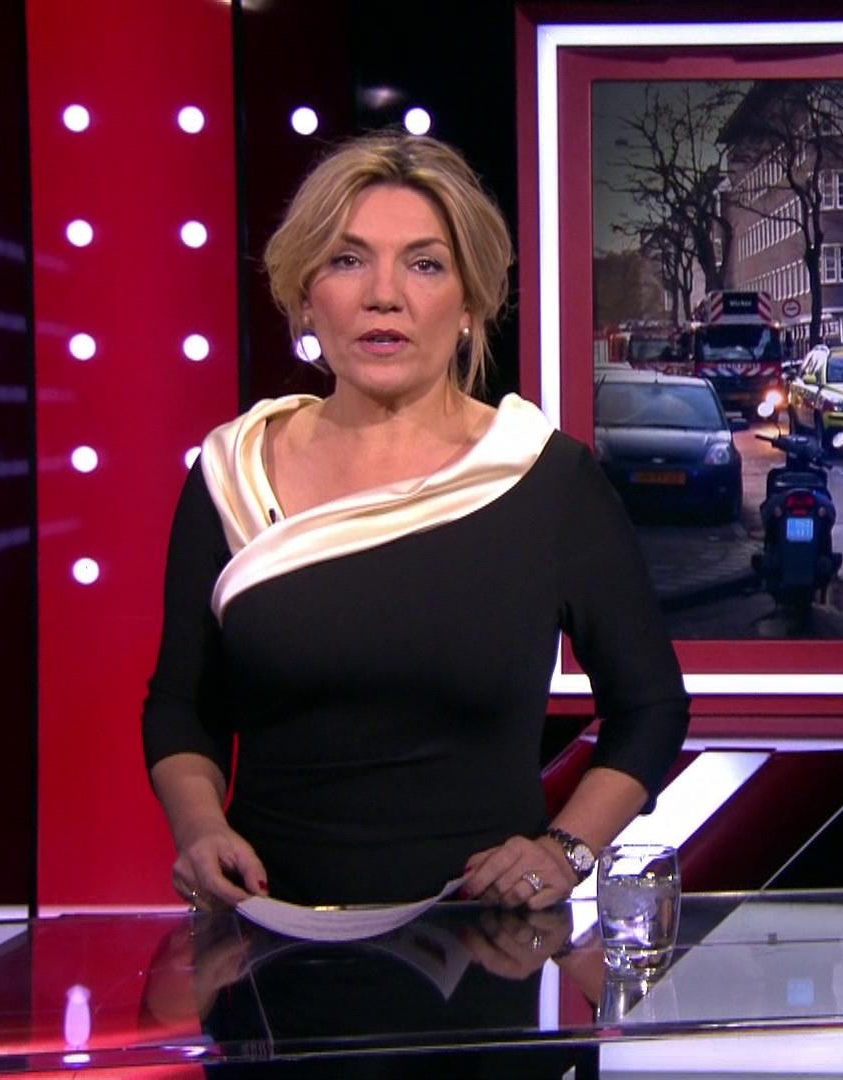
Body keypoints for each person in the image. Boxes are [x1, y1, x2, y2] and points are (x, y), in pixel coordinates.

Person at [141, 131, 690, 916]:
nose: (384, 295)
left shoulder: (543, 477)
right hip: (267, 936)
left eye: (424, 264)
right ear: (306, 295)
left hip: (484, 938)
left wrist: (564, 852)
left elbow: (651, 706)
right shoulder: (232, 472)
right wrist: (198, 828)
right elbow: (182, 706)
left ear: (469, 303)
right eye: (347, 259)